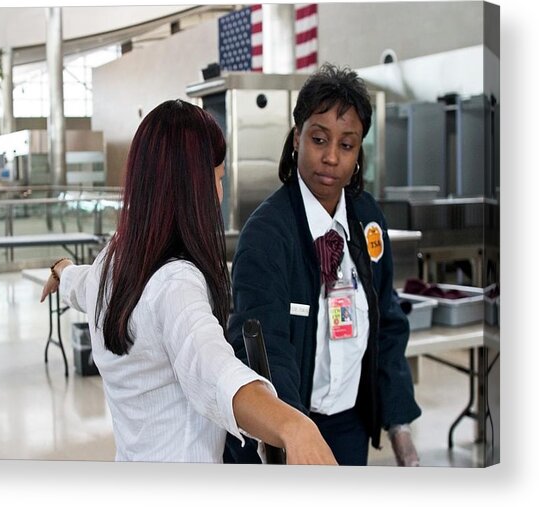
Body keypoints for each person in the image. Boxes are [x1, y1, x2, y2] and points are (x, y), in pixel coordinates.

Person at [40, 99, 337, 464]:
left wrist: (60, 269)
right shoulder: (177, 283)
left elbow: (78, 283)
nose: (219, 192)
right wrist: (295, 426)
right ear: (195, 188)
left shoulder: (111, 262)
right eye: (218, 179)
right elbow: (216, 372)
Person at [223, 63, 421, 466]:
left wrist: (400, 428)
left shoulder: (367, 220)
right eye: (318, 139)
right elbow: (264, 350)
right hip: (281, 432)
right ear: (297, 138)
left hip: (349, 427)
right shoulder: (268, 234)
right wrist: (294, 436)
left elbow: (387, 322)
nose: (331, 157)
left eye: (346, 145)